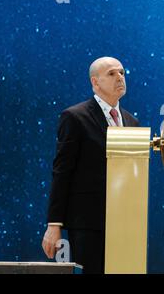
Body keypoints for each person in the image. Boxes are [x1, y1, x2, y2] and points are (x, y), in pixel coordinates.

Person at [41, 57, 139, 274]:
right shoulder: (75, 117)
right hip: (88, 223)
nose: (120, 77)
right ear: (95, 82)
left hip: (126, 221)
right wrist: (54, 224)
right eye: (112, 74)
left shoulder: (131, 121)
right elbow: (62, 172)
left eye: (122, 72)